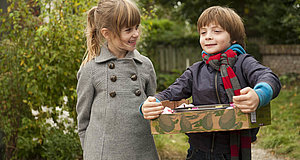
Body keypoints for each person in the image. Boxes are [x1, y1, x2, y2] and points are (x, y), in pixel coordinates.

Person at [141, 6, 281, 160]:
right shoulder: (195, 71)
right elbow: (171, 92)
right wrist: (151, 103)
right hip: (197, 151)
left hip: (231, 152)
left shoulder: (243, 62)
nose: (208, 36)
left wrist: (259, 95)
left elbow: (269, 78)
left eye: (216, 31)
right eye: (203, 32)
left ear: (233, 38)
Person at [76, 0, 159, 159]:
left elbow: (152, 106)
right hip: (103, 153)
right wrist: (90, 152)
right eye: (128, 30)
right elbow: (83, 120)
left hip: (142, 151)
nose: (135, 33)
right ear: (106, 33)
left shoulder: (145, 66)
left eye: (137, 27)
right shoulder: (90, 69)